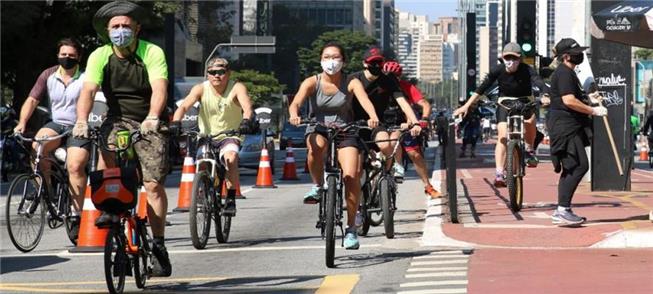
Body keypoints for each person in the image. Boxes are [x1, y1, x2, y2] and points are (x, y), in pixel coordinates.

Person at [73, 1, 172, 276]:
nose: (120, 31)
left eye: (126, 26)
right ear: (107, 31)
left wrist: (153, 116)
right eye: (115, 27)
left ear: (137, 28)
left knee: (152, 186)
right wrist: (81, 120)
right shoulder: (99, 55)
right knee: (107, 161)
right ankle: (111, 213)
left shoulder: (151, 52)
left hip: (148, 121)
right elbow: (89, 91)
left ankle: (159, 244)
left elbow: (159, 87)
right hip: (116, 120)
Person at [288, 42, 379, 250]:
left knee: (350, 175)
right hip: (318, 127)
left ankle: (351, 229)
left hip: (346, 129)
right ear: (320, 60)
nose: (331, 61)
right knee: (315, 148)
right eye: (327, 57)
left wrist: (373, 116)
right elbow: (296, 102)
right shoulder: (312, 82)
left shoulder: (351, 81)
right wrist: (294, 115)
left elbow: (365, 101)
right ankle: (318, 185)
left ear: (343, 61)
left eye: (336, 57)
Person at [13, 38, 88, 240]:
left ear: (79, 57)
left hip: (79, 126)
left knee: (74, 166)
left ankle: (75, 214)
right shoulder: (48, 74)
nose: (67, 58)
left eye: (71, 56)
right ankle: (46, 194)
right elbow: (32, 100)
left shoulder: (87, 76)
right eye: (63, 55)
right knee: (37, 146)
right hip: (56, 123)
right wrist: (22, 123)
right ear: (57, 55)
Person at [454, 42, 550, 187]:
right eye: (507, 58)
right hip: (505, 103)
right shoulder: (497, 70)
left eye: (514, 58)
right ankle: (499, 172)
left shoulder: (527, 69)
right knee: (502, 136)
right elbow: (481, 89)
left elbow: (539, 82)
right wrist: (466, 106)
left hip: (525, 101)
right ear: (502, 59)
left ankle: (530, 150)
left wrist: (545, 95)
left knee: (530, 122)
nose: (510, 61)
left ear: (520, 59)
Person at [171, 57, 256, 216]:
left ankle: (230, 198)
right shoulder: (200, 88)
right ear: (207, 74)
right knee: (202, 164)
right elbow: (183, 106)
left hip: (230, 135)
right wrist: (175, 122)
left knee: (230, 158)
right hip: (207, 136)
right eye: (212, 72)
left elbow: (247, 107)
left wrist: (246, 121)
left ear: (228, 73)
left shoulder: (237, 88)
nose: (217, 76)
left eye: (221, 72)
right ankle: (204, 192)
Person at [547, 38, 607, 226]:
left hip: (568, 126)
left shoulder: (568, 73)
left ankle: (563, 209)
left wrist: (589, 98)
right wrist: (593, 110)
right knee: (578, 166)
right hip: (565, 127)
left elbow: (573, 97)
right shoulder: (564, 73)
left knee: (573, 166)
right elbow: (569, 100)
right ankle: (562, 210)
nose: (580, 55)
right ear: (566, 56)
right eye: (576, 52)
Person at [350, 47, 423, 180]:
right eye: (373, 62)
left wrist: (415, 122)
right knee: (356, 168)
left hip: (377, 123)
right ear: (365, 63)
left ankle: (386, 176)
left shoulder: (388, 80)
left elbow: (403, 102)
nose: (377, 65)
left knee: (386, 144)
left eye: (379, 62)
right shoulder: (354, 79)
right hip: (354, 124)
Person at [382, 61, 441, 198]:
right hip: (380, 124)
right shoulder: (377, 87)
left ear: (399, 76)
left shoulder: (406, 87)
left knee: (414, 154)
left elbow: (424, 105)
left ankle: (428, 186)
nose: (390, 79)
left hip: (404, 124)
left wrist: (423, 120)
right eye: (386, 75)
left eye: (394, 76)